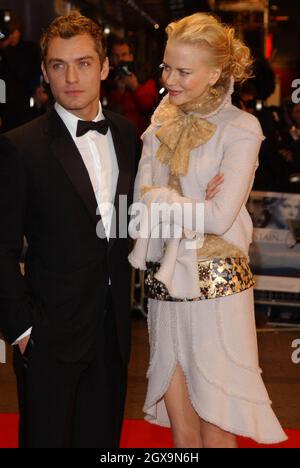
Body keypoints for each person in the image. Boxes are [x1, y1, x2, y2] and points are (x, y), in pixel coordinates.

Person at [129, 13, 287, 448]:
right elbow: (141, 206)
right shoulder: (158, 123)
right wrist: (193, 201)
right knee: (182, 431)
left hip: (219, 289)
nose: (169, 80)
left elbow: (218, 219)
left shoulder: (242, 128)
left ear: (216, 72)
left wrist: (168, 199)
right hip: (164, 283)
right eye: (165, 67)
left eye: (182, 71)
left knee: (216, 425)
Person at [0, 12, 138, 448]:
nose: (71, 77)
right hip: (48, 337)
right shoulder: (20, 146)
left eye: (82, 63)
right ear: (44, 71)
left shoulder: (129, 135)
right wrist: (21, 331)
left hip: (113, 332)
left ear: (104, 67)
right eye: (58, 65)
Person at [105, 38, 158, 135]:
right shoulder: (106, 78)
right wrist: (119, 92)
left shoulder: (144, 76)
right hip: (114, 134)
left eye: (124, 55)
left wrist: (135, 87)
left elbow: (149, 106)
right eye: (116, 56)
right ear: (112, 58)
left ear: (130, 56)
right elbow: (107, 111)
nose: (120, 59)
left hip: (139, 135)